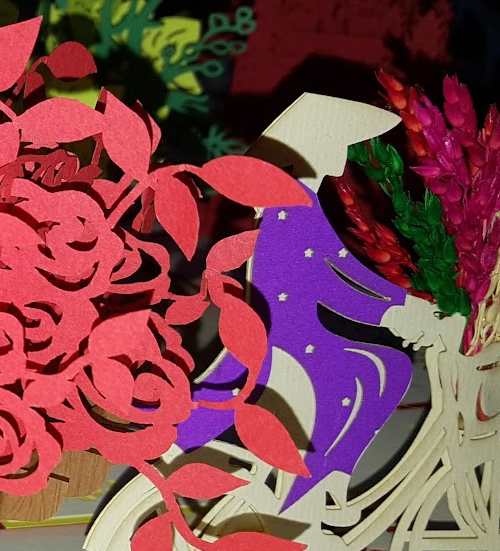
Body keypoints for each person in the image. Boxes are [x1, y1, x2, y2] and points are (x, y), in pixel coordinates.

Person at [174, 93, 439, 515]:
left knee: (381, 365)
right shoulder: (293, 207)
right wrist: (393, 309)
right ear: (313, 148)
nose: (341, 156)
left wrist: (401, 302)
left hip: (285, 330)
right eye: (337, 144)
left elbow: (342, 269)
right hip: (289, 340)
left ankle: (323, 475)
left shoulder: (297, 202)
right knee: (382, 369)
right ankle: (322, 477)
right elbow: (331, 282)